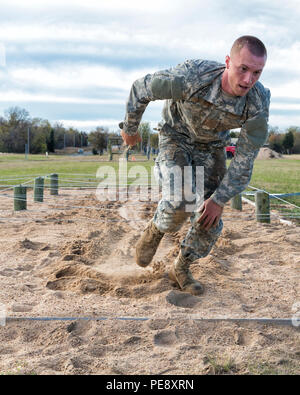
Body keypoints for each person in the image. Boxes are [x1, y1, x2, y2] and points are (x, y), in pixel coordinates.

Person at [120, 36, 270, 296]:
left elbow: (245, 159)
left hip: (212, 148)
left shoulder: (257, 102)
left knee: (209, 219)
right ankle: (156, 230)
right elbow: (141, 88)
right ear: (227, 62)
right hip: (176, 137)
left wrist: (219, 200)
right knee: (180, 200)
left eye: (256, 72)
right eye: (242, 69)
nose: (248, 80)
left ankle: (180, 267)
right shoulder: (193, 76)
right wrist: (131, 129)